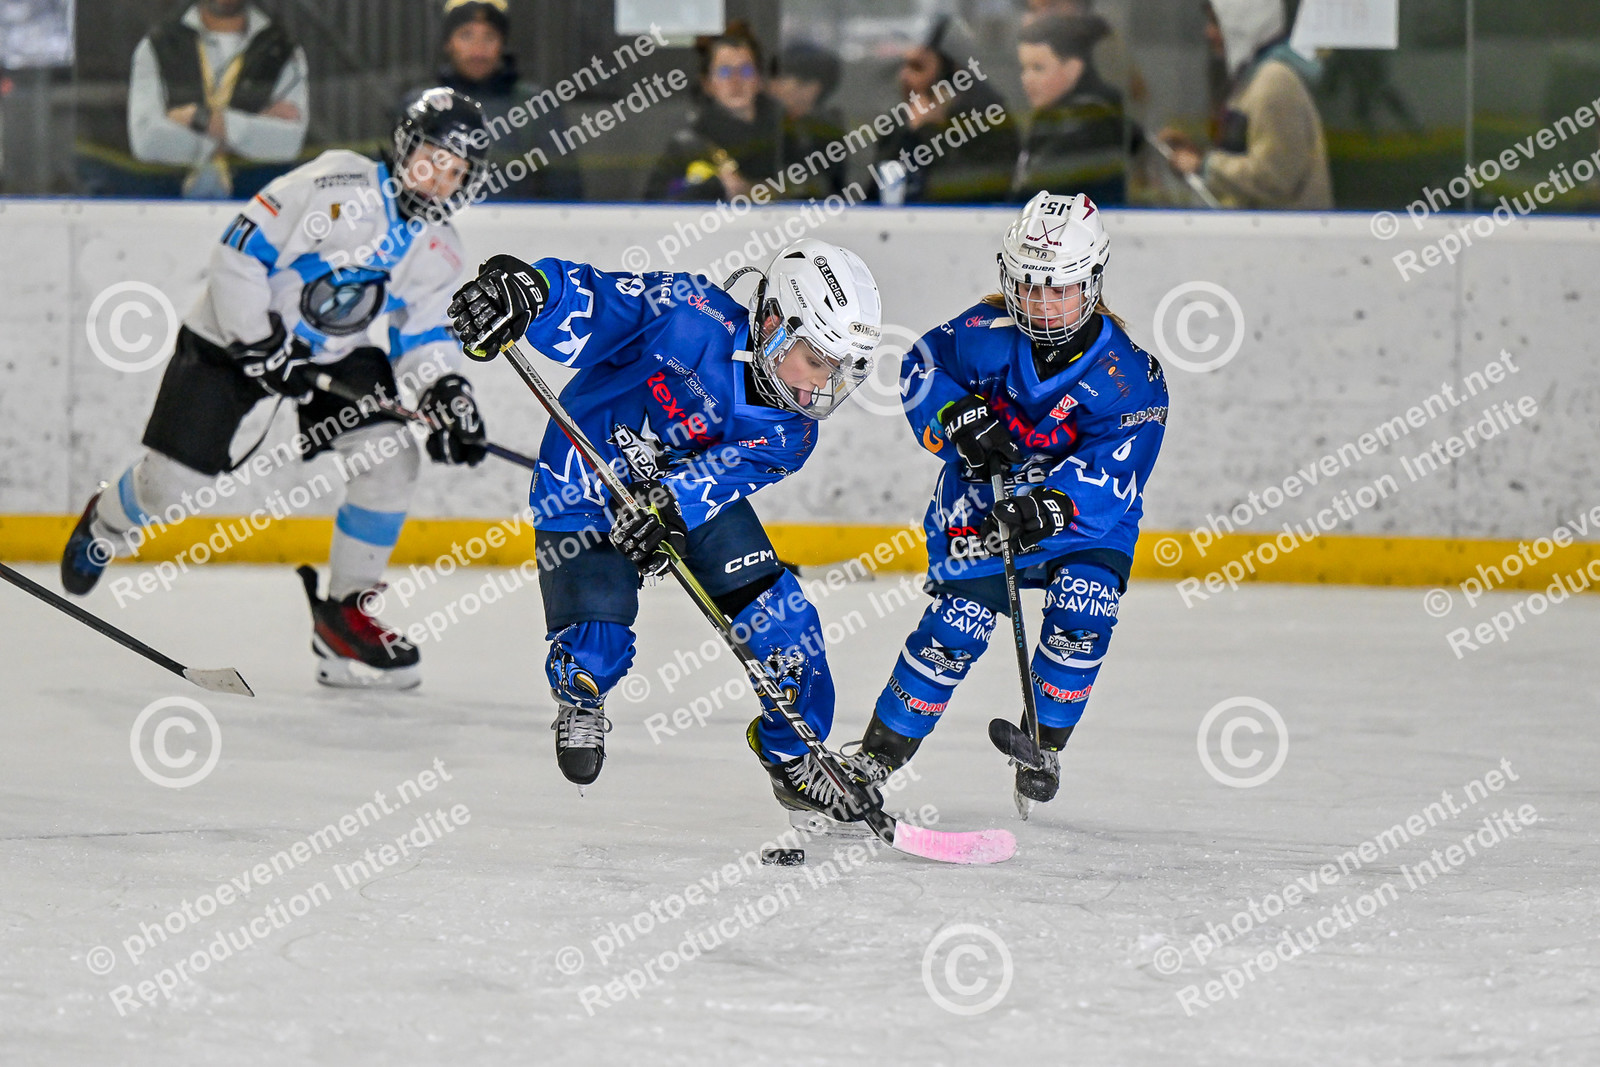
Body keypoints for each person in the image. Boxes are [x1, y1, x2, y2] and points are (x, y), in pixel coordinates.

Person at [446, 239, 888, 829]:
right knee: (595, 649)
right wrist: (529, 291)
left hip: (688, 504)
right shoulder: (687, 313)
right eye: (813, 359)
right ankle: (581, 694)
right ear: (773, 323)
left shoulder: (792, 434)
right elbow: (597, 301)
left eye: (834, 370)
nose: (819, 385)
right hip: (584, 484)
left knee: (790, 634)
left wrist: (666, 508)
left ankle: (791, 759)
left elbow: (713, 483)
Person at [62, 89, 493, 691]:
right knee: (172, 486)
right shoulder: (335, 184)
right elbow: (239, 253)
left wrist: (446, 392)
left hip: (328, 353)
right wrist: (259, 342)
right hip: (232, 333)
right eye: (432, 159)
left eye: (456, 171)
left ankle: (343, 616)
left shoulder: (440, 251)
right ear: (404, 147)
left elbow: (421, 338)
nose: (440, 179)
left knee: (392, 458)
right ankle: (106, 524)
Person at [845, 191, 1168, 806]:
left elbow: (1115, 472)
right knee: (955, 629)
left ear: (1093, 282)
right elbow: (919, 365)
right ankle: (874, 759)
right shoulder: (982, 335)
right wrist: (957, 414)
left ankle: (1045, 744)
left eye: (1060, 289)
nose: (1042, 304)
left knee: (1085, 609)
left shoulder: (1130, 376)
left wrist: (1051, 507)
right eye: (1029, 286)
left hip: (1082, 521)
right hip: (983, 504)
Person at [1158, 0, 1333, 210]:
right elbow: (1250, 156)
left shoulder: (1275, 81)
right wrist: (1198, 156)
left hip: (1280, 229)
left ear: (1243, 23)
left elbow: (1275, 177)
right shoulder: (1254, 77)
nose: (1208, 33)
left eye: (1216, 22)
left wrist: (1203, 166)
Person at [127, 0, 309, 199]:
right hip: (167, 208)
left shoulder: (283, 49)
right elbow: (146, 142)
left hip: (257, 206)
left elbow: (288, 145)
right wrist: (249, 131)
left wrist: (201, 119)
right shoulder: (158, 45)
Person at [405, 0, 582, 202]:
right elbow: (393, 186)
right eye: (466, 35)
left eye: (489, 37)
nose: (478, 50)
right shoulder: (419, 105)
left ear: (502, 44)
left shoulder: (536, 106)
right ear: (448, 43)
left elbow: (565, 191)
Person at [872, 16, 1019, 204]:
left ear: (949, 75)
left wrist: (929, 130)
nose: (904, 76)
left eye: (917, 67)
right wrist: (906, 134)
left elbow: (966, 194)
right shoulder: (901, 120)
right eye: (903, 66)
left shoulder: (986, 119)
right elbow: (874, 193)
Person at [642, 20, 784, 201]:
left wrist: (752, 191)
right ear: (707, 84)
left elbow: (811, 189)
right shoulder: (687, 146)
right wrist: (711, 187)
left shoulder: (785, 137)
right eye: (724, 72)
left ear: (759, 80)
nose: (736, 81)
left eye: (746, 71)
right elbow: (656, 202)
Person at [1012, 13, 1128, 205]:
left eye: (1038, 68)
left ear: (1073, 69)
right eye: (1024, 68)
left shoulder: (1088, 124)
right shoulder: (1052, 118)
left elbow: (1037, 192)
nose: (1027, 79)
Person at [769, 42, 848, 199]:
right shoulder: (770, 122)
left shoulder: (824, 132)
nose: (773, 86)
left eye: (782, 79)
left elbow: (817, 186)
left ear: (811, 88)